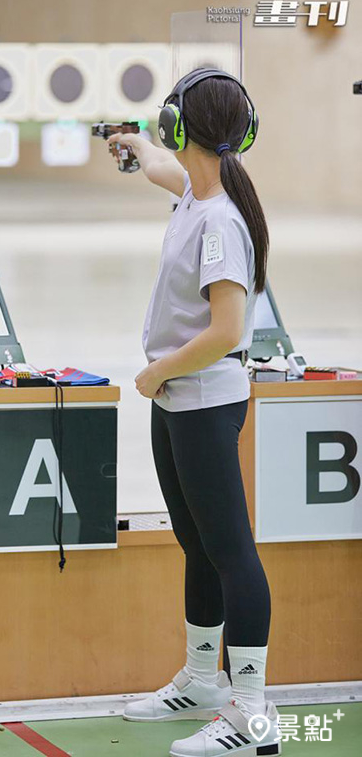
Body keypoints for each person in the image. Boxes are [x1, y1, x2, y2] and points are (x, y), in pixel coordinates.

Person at [107, 69, 281, 757]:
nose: (160, 134)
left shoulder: (217, 221)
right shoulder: (196, 191)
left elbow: (227, 330)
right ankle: (203, 683)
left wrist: (155, 371)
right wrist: (128, 144)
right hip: (181, 398)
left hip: (199, 397)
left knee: (231, 552)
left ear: (181, 127)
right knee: (197, 543)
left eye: (163, 122)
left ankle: (250, 715)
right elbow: (158, 165)